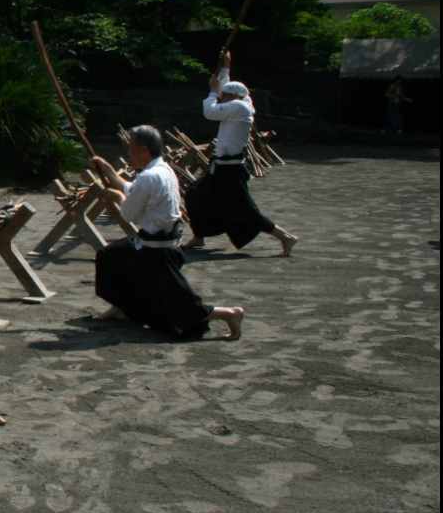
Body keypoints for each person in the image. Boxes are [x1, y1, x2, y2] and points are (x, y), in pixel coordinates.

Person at [91, 126, 246, 341]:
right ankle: (122, 307)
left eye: (131, 150)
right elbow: (132, 189)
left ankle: (229, 313)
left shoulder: (149, 176)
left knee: (180, 304)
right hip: (157, 240)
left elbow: (128, 213)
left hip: (156, 250)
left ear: (144, 151)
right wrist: (108, 171)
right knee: (110, 256)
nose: (129, 155)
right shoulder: (162, 169)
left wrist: (116, 196)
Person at [185, 50, 298, 257]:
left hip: (230, 170)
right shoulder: (241, 102)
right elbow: (226, 88)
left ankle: (286, 237)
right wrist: (226, 66)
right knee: (194, 195)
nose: (222, 98)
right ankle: (199, 235)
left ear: (234, 97)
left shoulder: (238, 107)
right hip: (221, 167)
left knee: (246, 212)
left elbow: (209, 111)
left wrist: (211, 91)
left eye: (225, 96)